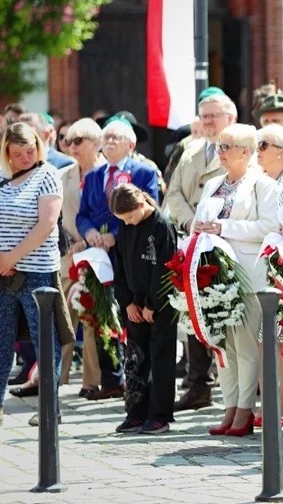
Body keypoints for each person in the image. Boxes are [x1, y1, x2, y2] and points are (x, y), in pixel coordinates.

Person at [197, 124, 280, 437]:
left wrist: (223, 228)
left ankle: (245, 410)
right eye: (219, 146)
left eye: (227, 147)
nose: (220, 152)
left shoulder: (264, 185)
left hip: (247, 273)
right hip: (213, 271)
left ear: (246, 152)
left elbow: (269, 227)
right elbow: (198, 221)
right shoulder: (213, 184)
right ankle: (229, 406)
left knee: (244, 345)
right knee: (222, 344)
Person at [76, 118, 160, 400]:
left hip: (132, 255)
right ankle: (112, 381)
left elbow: (148, 207)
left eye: (116, 137)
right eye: (106, 137)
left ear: (131, 144)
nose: (109, 141)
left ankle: (140, 384)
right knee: (101, 313)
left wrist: (114, 232)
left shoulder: (144, 172)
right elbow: (82, 213)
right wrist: (89, 232)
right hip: (98, 255)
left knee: (131, 314)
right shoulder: (94, 176)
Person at [163, 92, 234, 411]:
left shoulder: (239, 147)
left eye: (213, 116)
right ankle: (197, 385)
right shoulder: (190, 150)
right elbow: (173, 191)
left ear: (229, 118)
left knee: (223, 314)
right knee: (192, 313)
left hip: (223, 243)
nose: (207, 122)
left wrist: (208, 223)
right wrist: (190, 220)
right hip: (190, 239)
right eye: (203, 116)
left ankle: (234, 388)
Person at [0, 123, 64, 425]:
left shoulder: (47, 175)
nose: (25, 157)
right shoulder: (1, 177)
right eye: (18, 153)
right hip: (3, 272)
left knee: (44, 342)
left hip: (37, 273)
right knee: (2, 340)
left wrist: (12, 256)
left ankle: (50, 408)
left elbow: (46, 224)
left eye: (30, 151)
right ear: (7, 153)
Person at [110, 184, 179, 434]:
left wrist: (152, 304)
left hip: (159, 303)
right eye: (123, 220)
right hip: (134, 303)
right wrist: (127, 301)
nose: (127, 223)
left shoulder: (162, 226)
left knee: (160, 356)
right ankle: (136, 411)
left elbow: (166, 267)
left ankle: (159, 414)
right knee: (135, 357)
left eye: (129, 217)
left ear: (141, 205)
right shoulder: (125, 226)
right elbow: (119, 265)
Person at [253, 123, 283, 428]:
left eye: (263, 145)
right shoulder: (259, 182)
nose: (257, 151)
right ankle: (268, 401)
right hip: (267, 267)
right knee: (263, 337)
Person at [59, 119, 106, 398]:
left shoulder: (107, 173)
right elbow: (55, 217)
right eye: (69, 141)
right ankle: (54, 377)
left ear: (96, 143)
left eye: (79, 141)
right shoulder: (62, 174)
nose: (72, 146)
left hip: (98, 257)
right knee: (61, 319)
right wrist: (69, 242)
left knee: (92, 319)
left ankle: (91, 381)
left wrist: (88, 241)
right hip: (67, 257)